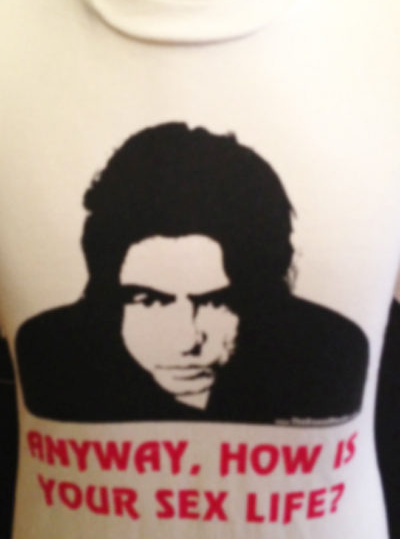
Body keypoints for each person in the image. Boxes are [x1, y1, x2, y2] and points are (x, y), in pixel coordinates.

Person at [16, 122, 368, 424]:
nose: (185, 342)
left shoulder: (329, 355)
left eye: (216, 302)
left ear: (261, 295)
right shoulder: (52, 358)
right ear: (106, 292)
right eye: (149, 300)